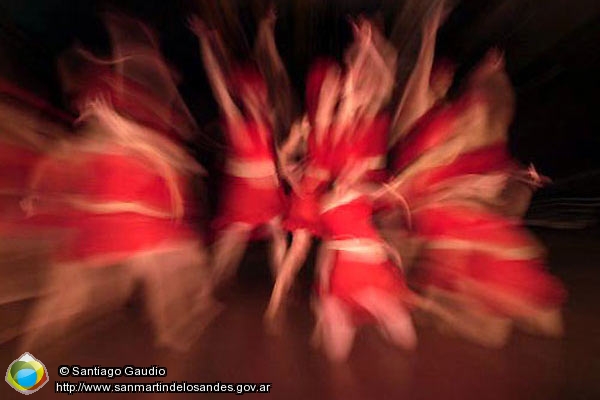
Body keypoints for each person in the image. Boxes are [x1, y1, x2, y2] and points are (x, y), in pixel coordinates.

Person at [190, 16, 287, 289]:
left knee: (278, 235)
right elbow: (218, 84)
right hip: (245, 191)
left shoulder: (269, 122)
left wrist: (266, 30)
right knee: (231, 241)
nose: (259, 98)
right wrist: (206, 43)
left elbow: (274, 73)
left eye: (260, 94)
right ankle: (212, 282)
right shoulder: (236, 119)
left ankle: (283, 283)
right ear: (244, 96)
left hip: (268, 191)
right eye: (253, 94)